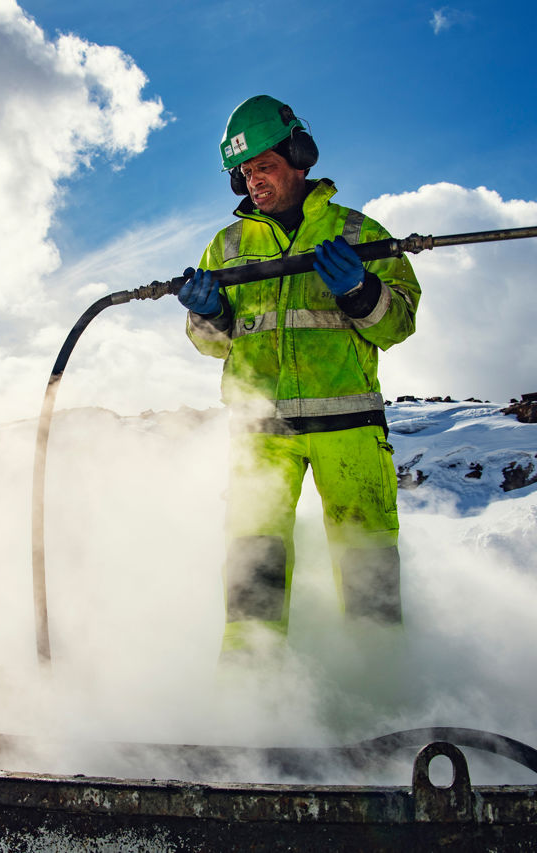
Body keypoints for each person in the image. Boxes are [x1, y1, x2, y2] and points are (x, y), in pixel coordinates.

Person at [180, 95, 421, 662]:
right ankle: (248, 696)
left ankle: (381, 695)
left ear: (298, 155)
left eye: (264, 165)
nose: (253, 181)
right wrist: (207, 313)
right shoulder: (228, 246)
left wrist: (360, 290)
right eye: (244, 172)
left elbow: (399, 323)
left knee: (367, 568)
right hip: (262, 429)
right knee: (252, 562)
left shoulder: (358, 231)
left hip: (348, 425)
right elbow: (212, 344)